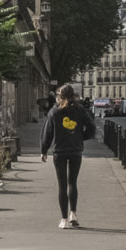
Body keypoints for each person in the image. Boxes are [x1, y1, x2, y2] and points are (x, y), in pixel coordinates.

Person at [39, 83, 95, 229]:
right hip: (76, 150)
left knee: (62, 185)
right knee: (73, 183)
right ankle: (73, 214)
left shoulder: (54, 111)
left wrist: (43, 150)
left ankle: (64, 219)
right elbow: (91, 127)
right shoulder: (80, 110)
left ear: (60, 96)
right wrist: (80, 137)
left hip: (60, 151)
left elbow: (47, 132)